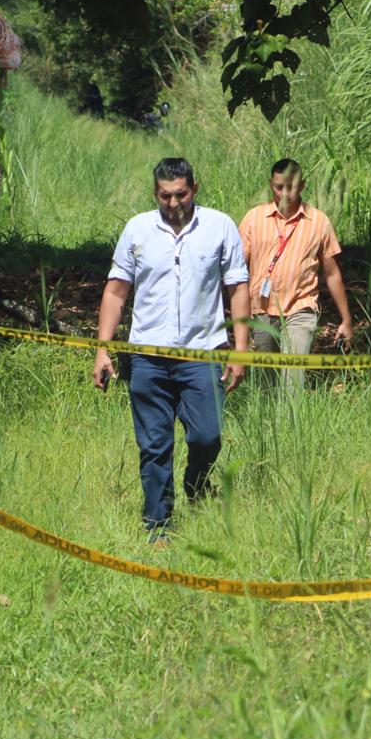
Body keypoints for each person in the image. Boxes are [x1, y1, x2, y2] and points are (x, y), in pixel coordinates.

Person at [92, 158, 250, 543]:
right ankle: (158, 526)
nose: (174, 203)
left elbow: (238, 289)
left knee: (207, 437)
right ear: (155, 194)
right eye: (165, 196)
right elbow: (116, 292)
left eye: (180, 194)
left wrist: (240, 349)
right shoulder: (137, 229)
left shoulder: (220, 227)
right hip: (147, 357)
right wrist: (103, 349)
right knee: (154, 445)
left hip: (203, 353)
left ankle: (197, 485)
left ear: (194, 188)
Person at [238, 159, 353, 391]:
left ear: (302, 185)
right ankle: (268, 426)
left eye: (291, 187)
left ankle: (290, 424)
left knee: (293, 381)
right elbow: (238, 270)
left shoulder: (319, 222)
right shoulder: (254, 218)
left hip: (301, 307)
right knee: (265, 383)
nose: (285, 193)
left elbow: (331, 273)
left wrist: (346, 319)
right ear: (271, 184)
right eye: (279, 187)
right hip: (261, 308)